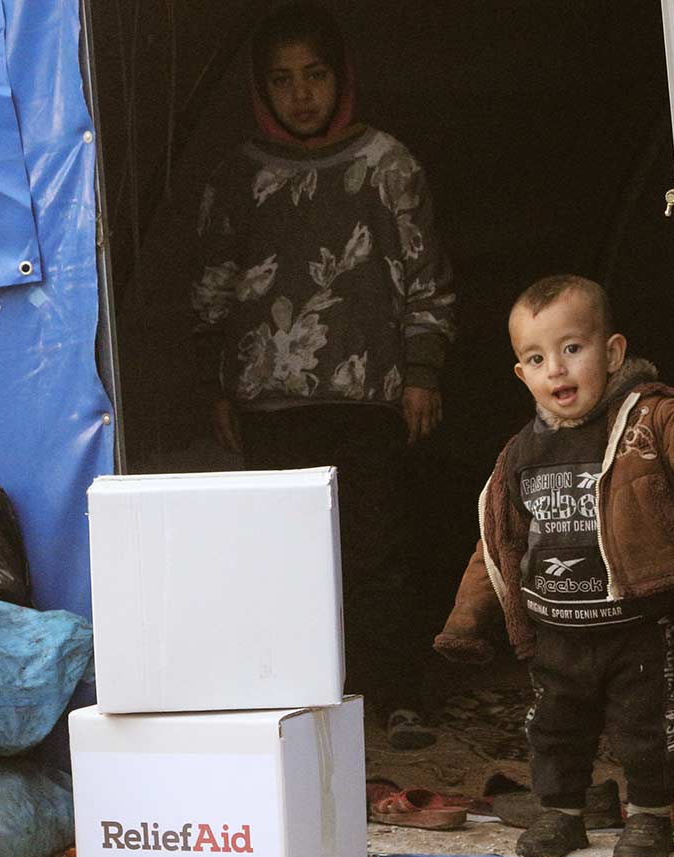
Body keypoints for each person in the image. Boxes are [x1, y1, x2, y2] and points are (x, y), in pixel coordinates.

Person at [190, 3, 456, 749]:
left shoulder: (388, 164)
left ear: (341, 78)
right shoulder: (238, 176)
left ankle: (396, 694)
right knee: (285, 558)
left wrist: (422, 371)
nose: (300, 94)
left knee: (376, 548)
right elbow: (213, 283)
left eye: (315, 75)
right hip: (269, 401)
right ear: (260, 88)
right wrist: (215, 383)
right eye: (281, 80)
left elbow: (425, 277)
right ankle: (305, 702)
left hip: (367, 391)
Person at [432, 276, 674, 857]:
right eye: (537, 358)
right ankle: (563, 814)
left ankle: (649, 817)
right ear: (522, 375)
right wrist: (465, 620)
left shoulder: (644, 419)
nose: (556, 369)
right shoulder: (521, 453)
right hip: (556, 627)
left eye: (572, 350)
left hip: (632, 618)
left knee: (645, 727)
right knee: (554, 731)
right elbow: (495, 540)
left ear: (611, 354)